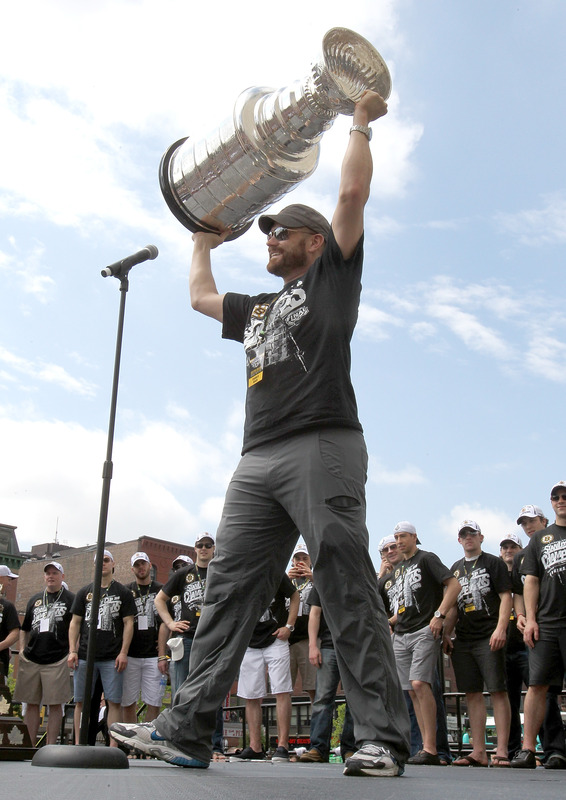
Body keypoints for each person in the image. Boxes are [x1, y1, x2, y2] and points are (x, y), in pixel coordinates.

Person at [110, 89, 411, 778]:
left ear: (313, 243)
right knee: (226, 594)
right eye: (267, 231)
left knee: (343, 579)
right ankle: (186, 731)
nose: (272, 238)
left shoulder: (331, 280)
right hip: (256, 461)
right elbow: (198, 296)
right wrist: (200, 238)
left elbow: (353, 195)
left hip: (323, 442)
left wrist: (359, 123)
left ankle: (382, 740)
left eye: (284, 231)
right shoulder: (257, 308)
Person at [389, 522, 460, 766]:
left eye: (404, 536)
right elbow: (404, 606)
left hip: (424, 630)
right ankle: (424, 748)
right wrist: (389, 622)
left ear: (415, 537)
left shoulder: (427, 558)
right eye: (396, 536)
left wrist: (439, 615)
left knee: (421, 683)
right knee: (410, 689)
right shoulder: (399, 569)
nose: (399, 541)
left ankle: (431, 747)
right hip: (401, 633)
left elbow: (454, 585)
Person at [443, 521, 512, 767]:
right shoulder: (455, 569)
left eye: (472, 533)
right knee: (472, 693)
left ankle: (501, 751)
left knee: (497, 691)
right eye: (464, 534)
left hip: (489, 635)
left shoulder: (493, 562)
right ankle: (479, 751)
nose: (468, 537)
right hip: (464, 638)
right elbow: (452, 608)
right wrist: (446, 635)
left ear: (481, 537)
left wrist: (501, 628)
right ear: (459, 540)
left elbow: (506, 596)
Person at [511, 483, 566, 769]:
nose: (560, 500)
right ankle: (528, 749)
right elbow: (529, 581)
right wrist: (530, 619)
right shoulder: (539, 540)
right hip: (546, 624)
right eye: (556, 497)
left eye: (565, 496)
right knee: (537, 686)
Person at [68, 549, 136, 745]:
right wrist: (72, 650)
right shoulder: (84, 592)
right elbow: (75, 622)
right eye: (99, 561)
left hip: (111, 657)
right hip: (85, 656)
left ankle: (113, 746)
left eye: (106, 560)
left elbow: (128, 623)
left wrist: (123, 652)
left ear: (113, 564)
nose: (103, 564)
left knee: (114, 701)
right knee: (81, 702)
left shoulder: (122, 592)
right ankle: (79, 744)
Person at [232, 576, 299, 762]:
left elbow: (295, 595)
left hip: (276, 638)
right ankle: (255, 747)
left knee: (281, 690)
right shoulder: (240, 573)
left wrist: (289, 626)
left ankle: (283, 746)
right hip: (249, 642)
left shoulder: (273, 569)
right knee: (251, 695)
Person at [13, 561, 75, 744]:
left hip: (57, 658)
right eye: (48, 573)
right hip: (32, 658)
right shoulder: (35, 599)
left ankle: (50, 748)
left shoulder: (70, 599)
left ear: (62, 576)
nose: (50, 576)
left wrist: (72, 651)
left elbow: (76, 627)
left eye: (55, 573)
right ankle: (30, 746)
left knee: (55, 705)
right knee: (31, 704)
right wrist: (22, 650)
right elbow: (24, 629)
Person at [298, 582, 355, 763]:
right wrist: (313, 645)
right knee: (322, 699)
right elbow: (314, 613)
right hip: (328, 646)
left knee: (354, 700)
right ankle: (318, 748)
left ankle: (350, 749)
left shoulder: (357, 577)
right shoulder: (323, 580)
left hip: (354, 647)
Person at [121, 552, 166, 724]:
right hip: (131, 655)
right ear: (132, 568)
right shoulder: (126, 591)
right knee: (128, 702)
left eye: (144, 564)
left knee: (154, 702)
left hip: (153, 656)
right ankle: (131, 744)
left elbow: (165, 622)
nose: (141, 567)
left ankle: (145, 743)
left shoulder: (161, 590)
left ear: (149, 565)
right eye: (137, 565)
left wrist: (162, 653)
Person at [499, 533, 528, 761]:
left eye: (513, 546)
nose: (508, 550)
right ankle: (512, 751)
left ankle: (548, 750)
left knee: (542, 696)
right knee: (509, 702)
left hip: (527, 644)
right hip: (503, 648)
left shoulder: (526, 573)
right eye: (505, 547)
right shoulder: (497, 575)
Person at [286, 543, 316, 702]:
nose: (301, 561)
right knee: (283, 689)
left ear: (311, 561)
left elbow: (329, 596)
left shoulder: (316, 580)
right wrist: (285, 579)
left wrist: (313, 578)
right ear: (292, 560)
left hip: (308, 639)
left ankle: (318, 726)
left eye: (305, 558)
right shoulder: (285, 580)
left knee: (313, 687)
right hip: (286, 641)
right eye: (297, 558)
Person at [0, 565, 20, 683]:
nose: (10, 584)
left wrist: (2, 646)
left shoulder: (7, 606)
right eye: (8, 579)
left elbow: (15, 632)